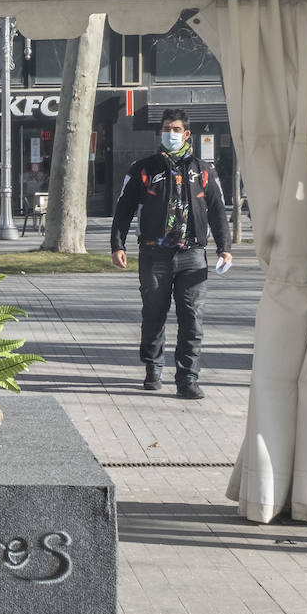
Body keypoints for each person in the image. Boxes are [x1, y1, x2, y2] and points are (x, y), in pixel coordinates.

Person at [110, 109, 231, 399]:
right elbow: (124, 209)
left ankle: (188, 378)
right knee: (154, 314)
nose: (171, 134)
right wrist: (118, 244)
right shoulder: (143, 169)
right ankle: (153, 367)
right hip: (154, 255)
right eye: (166, 129)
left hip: (193, 255)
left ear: (186, 134)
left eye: (176, 129)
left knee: (192, 318)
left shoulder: (204, 171)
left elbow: (217, 211)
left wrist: (224, 248)